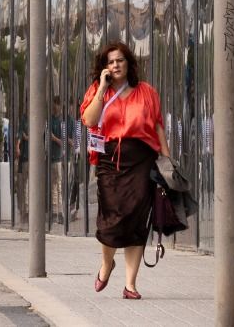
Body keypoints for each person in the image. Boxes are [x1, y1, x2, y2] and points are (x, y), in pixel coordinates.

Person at [80, 41, 168, 301]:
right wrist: (102, 88)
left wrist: (166, 160)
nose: (115, 65)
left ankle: (130, 284)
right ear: (104, 67)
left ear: (129, 63)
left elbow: (158, 126)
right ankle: (107, 265)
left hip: (141, 161)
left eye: (120, 60)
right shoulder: (99, 90)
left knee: (136, 219)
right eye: (110, 62)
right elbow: (89, 120)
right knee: (111, 218)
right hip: (110, 161)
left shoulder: (146, 92)